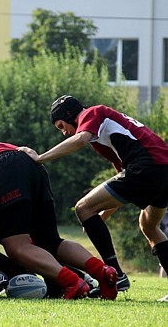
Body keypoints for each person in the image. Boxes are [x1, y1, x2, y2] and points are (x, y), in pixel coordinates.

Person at [19, 95, 168, 299]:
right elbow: (121, 180)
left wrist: (39, 158)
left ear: (70, 115)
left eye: (61, 125)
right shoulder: (103, 136)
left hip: (147, 166)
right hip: (162, 169)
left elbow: (79, 140)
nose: (64, 132)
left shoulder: (92, 112)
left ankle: (116, 273)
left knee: (82, 207)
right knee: (149, 226)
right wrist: (102, 214)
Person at [0, 132, 118, 300]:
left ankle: (72, 281)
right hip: (29, 164)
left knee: (17, 247)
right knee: (49, 241)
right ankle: (101, 271)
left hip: (6, 168)